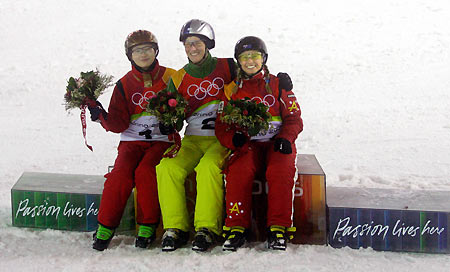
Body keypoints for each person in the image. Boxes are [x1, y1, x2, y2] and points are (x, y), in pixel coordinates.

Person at [87, 30, 176, 251]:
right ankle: (106, 225)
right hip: (132, 141)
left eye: (147, 49)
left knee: (146, 171)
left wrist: (173, 122)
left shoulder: (172, 77)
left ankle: (147, 224)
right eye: (137, 50)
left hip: (162, 141)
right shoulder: (123, 84)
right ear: (130, 55)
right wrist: (100, 115)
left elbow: (184, 108)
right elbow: (118, 123)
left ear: (156, 51)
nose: (143, 54)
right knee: (120, 174)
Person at [215, 36, 303, 251]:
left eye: (254, 55)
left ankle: (278, 228)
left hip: (276, 143)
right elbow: (221, 124)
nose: (250, 61)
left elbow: (294, 118)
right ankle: (236, 227)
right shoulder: (231, 90)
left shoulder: (278, 84)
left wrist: (285, 137)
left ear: (263, 58)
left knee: (280, 170)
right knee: (238, 170)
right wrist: (232, 138)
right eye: (244, 57)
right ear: (238, 61)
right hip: (248, 145)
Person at [156, 19, 236, 252]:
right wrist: (167, 122)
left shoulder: (227, 66)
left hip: (221, 137)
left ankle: (207, 229)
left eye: (198, 43)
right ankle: (175, 227)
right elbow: (174, 115)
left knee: (208, 168)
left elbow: (253, 73)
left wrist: (278, 79)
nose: (193, 48)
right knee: (167, 168)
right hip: (192, 138)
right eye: (188, 44)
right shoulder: (179, 78)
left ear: (208, 44)